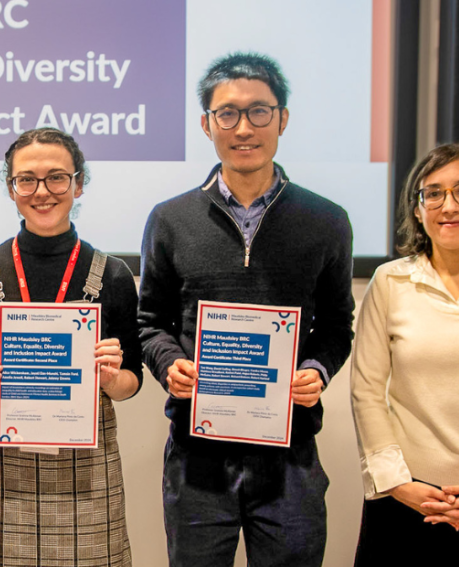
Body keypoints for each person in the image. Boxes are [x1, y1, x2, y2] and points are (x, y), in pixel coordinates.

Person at [138, 52, 355, 566]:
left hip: (290, 456)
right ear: (206, 123)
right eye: (227, 114)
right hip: (197, 456)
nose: (243, 127)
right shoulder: (170, 219)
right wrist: (171, 365)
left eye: (259, 111)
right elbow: (150, 323)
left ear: (282, 118)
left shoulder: (326, 220)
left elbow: (337, 326)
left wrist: (316, 370)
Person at [0, 127, 142, 567]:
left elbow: (132, 384)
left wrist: (112, 378)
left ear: (79, 182)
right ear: (11, 188)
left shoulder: (113, 276)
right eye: (26, 179)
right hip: (2, 473)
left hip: (87, 474)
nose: (42, 191)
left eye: (56, 178)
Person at [351, 143, 459, 564]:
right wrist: (396, 484)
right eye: (433, 194)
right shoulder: (390, 282)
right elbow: (365, 392)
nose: (449, 206)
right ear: (418, 210)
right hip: (405, 500)